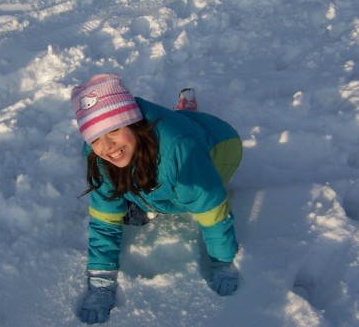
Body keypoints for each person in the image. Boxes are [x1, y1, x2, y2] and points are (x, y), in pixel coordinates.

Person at [71, 73, 243, 324]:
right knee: (125, 193)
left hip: (222, 148)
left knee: (184, 195)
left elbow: (212, 209)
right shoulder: (100, 157)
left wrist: (222, 262)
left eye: (114, 130)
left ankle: (184, 114)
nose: (106, 145)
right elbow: (104, 222)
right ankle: (183, 112)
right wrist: (101, 282)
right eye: (96, 138)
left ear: (132, 122)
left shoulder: (179, 151)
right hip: (178, 132)